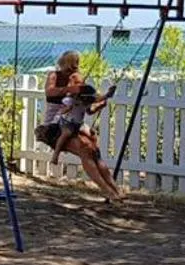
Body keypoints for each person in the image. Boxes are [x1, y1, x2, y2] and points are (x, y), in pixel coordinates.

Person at [38, 50, 122, 201]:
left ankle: (115, 188)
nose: (71, 74)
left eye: (74, 69)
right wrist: (72, 90)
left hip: (74, 124)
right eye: (69, 68)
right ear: (62, 64)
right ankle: (106, 190)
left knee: (94, 150)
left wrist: (102, 101)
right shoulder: (54, 76)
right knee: (85, 147)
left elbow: (88, 109)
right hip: (54, 125)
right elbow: (50, 93)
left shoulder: (77, 82)